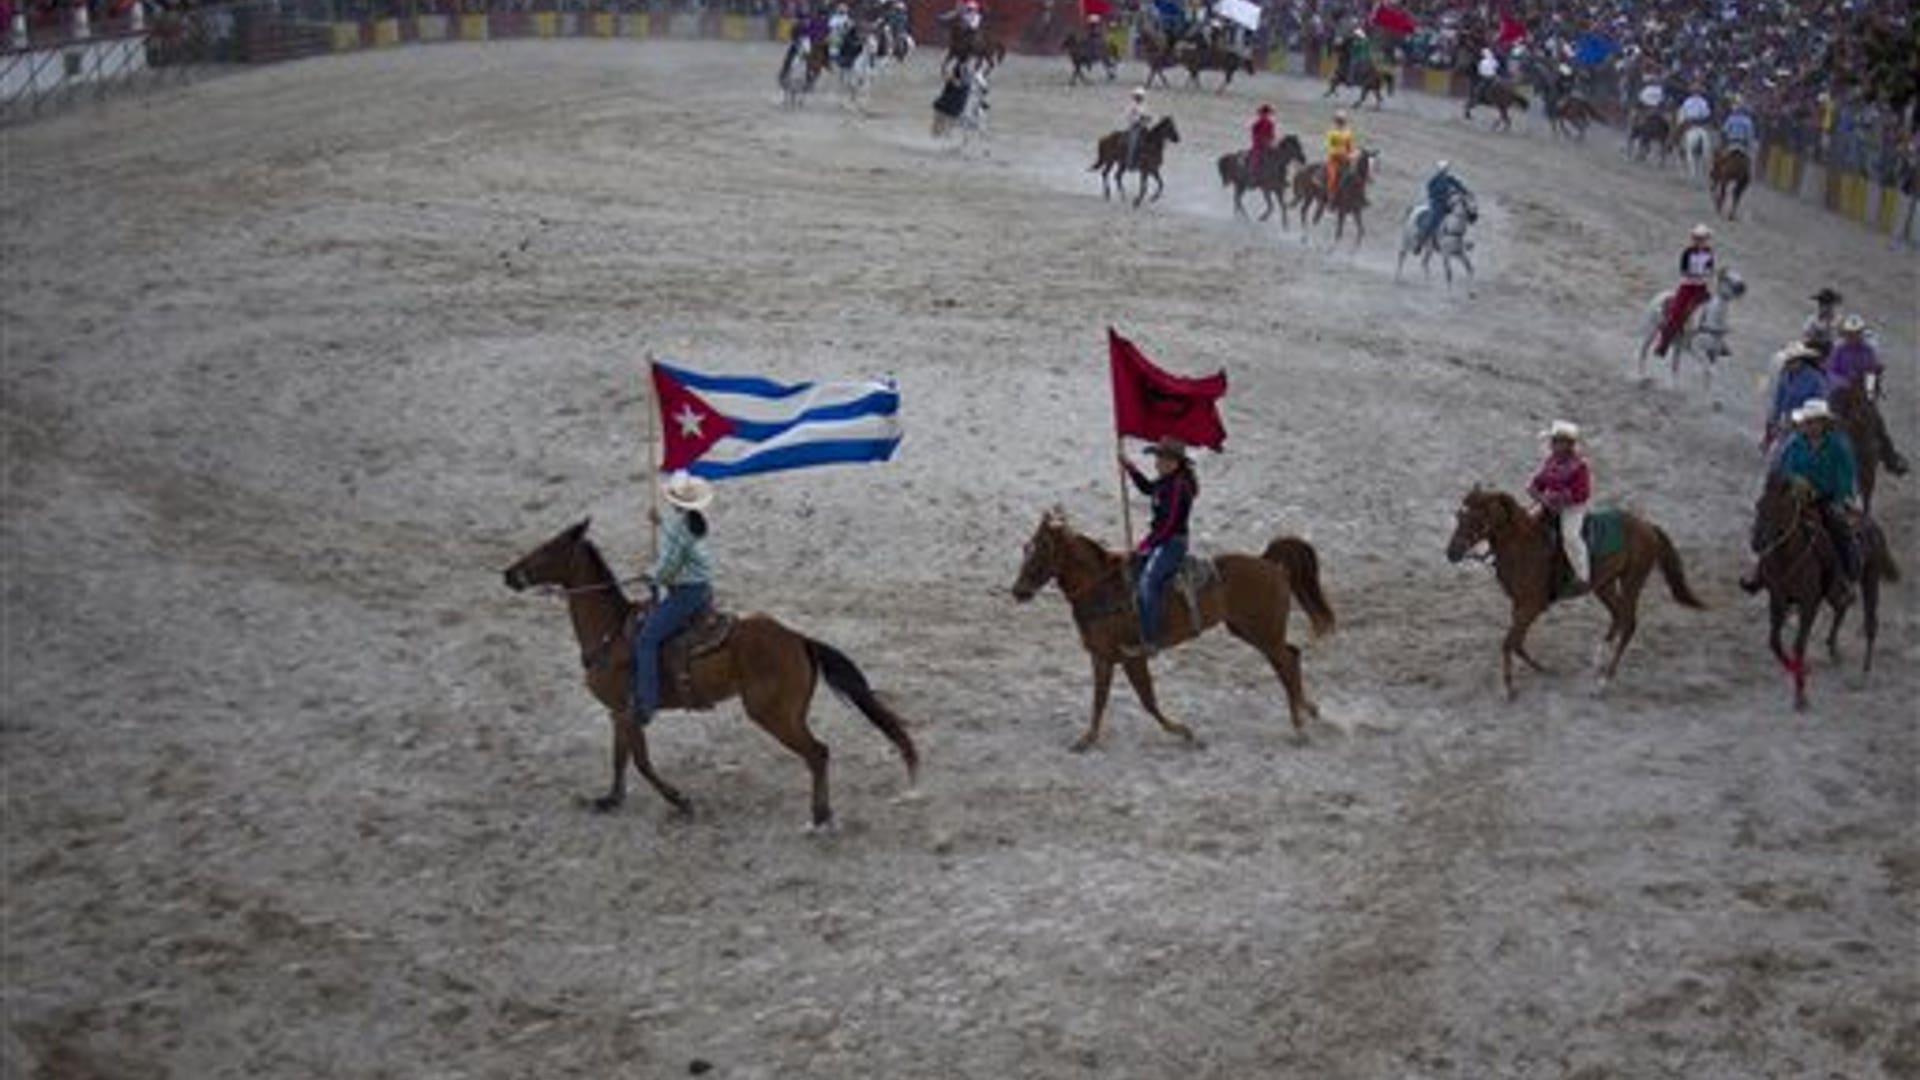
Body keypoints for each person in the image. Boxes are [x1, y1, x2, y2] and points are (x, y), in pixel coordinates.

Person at [1740, 400, 1861, 598]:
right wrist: (1792, 481)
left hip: (1827, 498)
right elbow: (1782, 469)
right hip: (1795, 495)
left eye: (1815, 422)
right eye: (1807, 422)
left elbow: (1845, 477)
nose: (1810, 427)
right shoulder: (1794, 444)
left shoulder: (1838, 446)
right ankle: (1758, 571)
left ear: (1824, 423)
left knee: (1839, 530)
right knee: (1768, 521)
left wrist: (1832, 496)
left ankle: (1846, 579)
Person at [628, 471, 716, 731]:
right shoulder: (695, 520)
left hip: (686, 592)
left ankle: (648, 702)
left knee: (646, 639)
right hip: (702, 588)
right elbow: (679, 540)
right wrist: (660, 524)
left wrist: (650, 575)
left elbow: (669, 565)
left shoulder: (678, 527)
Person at [1118, 437, 1198, 658]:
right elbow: (1147, 488)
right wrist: (1129, 467)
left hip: (1172, 543)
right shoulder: (1166, 481)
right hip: (1160, 539)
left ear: (1176, 462)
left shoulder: (1179, 486)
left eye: (1165, 459)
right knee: (1130, 572)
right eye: (1159, 457)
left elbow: (1170, 525)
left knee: (1147, 584)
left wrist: (1143, 546)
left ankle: (1150, 641)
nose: (1159, 462)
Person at [1824, 315, 1909, 475]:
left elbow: (1872, 371)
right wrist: (1844, 382)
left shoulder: (1868, 350)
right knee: (1831, 421)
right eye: (1851, 333)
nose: (1854, 337)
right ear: (1846, 334)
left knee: (1877, 422)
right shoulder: (1839, 350)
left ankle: (1891, 458)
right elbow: (1830, 372)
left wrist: (1869, 392)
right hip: (1840, 393)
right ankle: (1825, 458)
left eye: (1857, 333)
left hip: (1861, 390)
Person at [1528, 420, 1593, 595]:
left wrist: (1558, 500)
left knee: (1570, 536)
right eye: (1554, 441)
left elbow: (1582, 493)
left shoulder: (1580, 466)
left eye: (1559, 442)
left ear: (1569, 445)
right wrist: (1537, 492)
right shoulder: (1552, 462)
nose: (1555, 445)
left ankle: (1583, 576)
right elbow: (1539, 481)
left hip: (1573, 508)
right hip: (1549, 503)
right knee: (1525, 522)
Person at [1653, 223, 1714, 358]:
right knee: (1676, 313)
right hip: (1688, 286)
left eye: (1703, 238)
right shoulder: (1687, 252)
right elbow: (1683, 270)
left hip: (1701, 287)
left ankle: (1715, 342)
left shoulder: (1709, 252)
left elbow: (1710, 267)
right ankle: (1664, 343)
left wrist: (1707, 274)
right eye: (1698, 238)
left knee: (1714, 310)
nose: (1700, 241)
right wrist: (1694, 275)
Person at [1764, 340, 1827, 452]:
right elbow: (1779, 398)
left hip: (1807, 422)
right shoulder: (1785, 375)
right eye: (1788, 362)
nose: (1789, 365)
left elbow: (1820, 401)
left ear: (1801, 361)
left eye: (1792, 362)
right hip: (1787, 420)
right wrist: (1774, 419)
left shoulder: (1815, 379)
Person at [1417, 160, 1470, 253]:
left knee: (1460, 216)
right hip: (1436, 204)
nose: (1445, 171)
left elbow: (1458, 185)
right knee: (1433, 222)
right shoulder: (1434, 180)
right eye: (1443, 169)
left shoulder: (1449, 179)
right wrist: (1440, 196)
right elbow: (1430, 191)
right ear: (1439, 170)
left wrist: (1466, 192)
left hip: (1447, 204)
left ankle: (1462, 240)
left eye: (1446, 169)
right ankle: (1420, 243)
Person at [1801, 287, 1843, 354]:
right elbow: (1806, 338)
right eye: (1823, 303)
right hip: (1815, 353)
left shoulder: (1839, 320)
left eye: (1828, 303)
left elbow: (1844, 339)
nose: (1826, 306)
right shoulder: (1812, 320)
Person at [1324, 109, 1355, 198]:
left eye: (1342, 121)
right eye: (1339, 121)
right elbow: (1330, 146)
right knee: (1332, 176)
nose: (1340, 123)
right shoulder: (1332, 133)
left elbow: (1350, 146)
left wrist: (1352, 153)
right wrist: (1339, 152)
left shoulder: (1348, 133)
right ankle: (1330, 193)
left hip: (1346, 159)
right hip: (1334, 159)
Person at [1125, 86, 1152, 169]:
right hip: (1134, 127)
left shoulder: (1143, 106)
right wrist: (1138, 120)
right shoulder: (1132, 106)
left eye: (1141, 96)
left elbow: (1145, 114)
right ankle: (1130, 162)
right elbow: (1128, 116)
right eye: (1138, 96)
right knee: (1134, 142)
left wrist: (1148, 118)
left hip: (1143, 126)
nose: (1140, 98)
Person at [1249, 103, 1276, 180]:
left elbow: (1272, 135)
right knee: (1256, 156)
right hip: (1258, 145)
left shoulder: (1271, 124)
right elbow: (1254, 136)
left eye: (1267, 114)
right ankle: (1253, 173)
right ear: (1260, 114)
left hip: (1268, 145)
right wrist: (1262, 140)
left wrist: (1271, 139)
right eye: (1264, 113)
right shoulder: (1256, 124)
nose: (1265, 115)